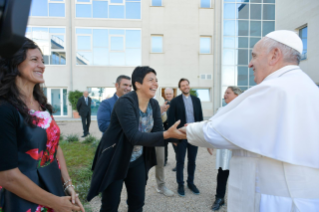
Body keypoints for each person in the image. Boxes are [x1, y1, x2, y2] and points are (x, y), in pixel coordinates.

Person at [180, 30, 319, 211]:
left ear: (274, 55)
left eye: (254, 56)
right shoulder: (309, 87)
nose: (250, 63)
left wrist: (188, 131)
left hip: (276, 200)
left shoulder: (275, 88)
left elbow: (221, 131)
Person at [0, 38, 84, 211]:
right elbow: (7, 176)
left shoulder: (42, 105)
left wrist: (67, 185)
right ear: (15, 64)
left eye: (43, 61)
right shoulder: (5, 110)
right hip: (21, 197)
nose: (42, 65)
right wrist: (55, 203)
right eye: (34, 60)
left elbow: (54, 147)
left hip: (51, 187)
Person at [87, 66, 185, 212]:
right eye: (151, 80)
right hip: (116, 158)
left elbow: (158, 133)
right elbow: (133, 136)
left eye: (156, 80)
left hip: (137, 159)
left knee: (137, 202)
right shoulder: (125, 102)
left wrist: (181, 134)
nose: (156, 84)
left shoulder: (153, 104)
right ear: (138, 84)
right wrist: (167, 135)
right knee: (110, 204)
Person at [168, 78, 203, 197]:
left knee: (192, 161)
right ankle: (180, 184)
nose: (185, 87)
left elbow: (200, 119)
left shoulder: (197, 100)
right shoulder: (175, 101)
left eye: (187, 85)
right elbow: (170, 121)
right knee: (180, 161)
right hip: (181, 136)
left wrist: (201, 135)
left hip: (194, 135)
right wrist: (173, 139)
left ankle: (190, 183)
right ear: (180, 88)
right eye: (183, 85)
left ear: (189, 86)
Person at [210, 86, 242, 211]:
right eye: (225, 92)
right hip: (224, 150)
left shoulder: (244, 110)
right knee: (222, 173)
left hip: (238, 149)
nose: (225, 94)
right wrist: (209, 144)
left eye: (228, 92)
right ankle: (219, 198)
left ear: (237, 95)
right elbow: (211, 127)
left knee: (239, 175)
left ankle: (239, 200)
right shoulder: (221, 110)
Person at [154, 100, 174, 197]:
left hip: (158, 136)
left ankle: (161, 185)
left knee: (160, 162)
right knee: (141, 165)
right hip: (142, 137)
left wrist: (162, 112)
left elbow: (163, 120)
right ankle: (138, 189)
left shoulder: (155, 103)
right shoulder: (137, 101)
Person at [162, 88, 177, 171]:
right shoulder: (162, 104)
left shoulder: (176, 103)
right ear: (164, 95)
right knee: (164, 146)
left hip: (174, 129)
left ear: (173, 94)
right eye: (167, 94)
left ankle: (179, 163)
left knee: (176, 146)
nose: (168, 95)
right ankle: (164, 160)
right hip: (165, 129)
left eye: (170, 94)